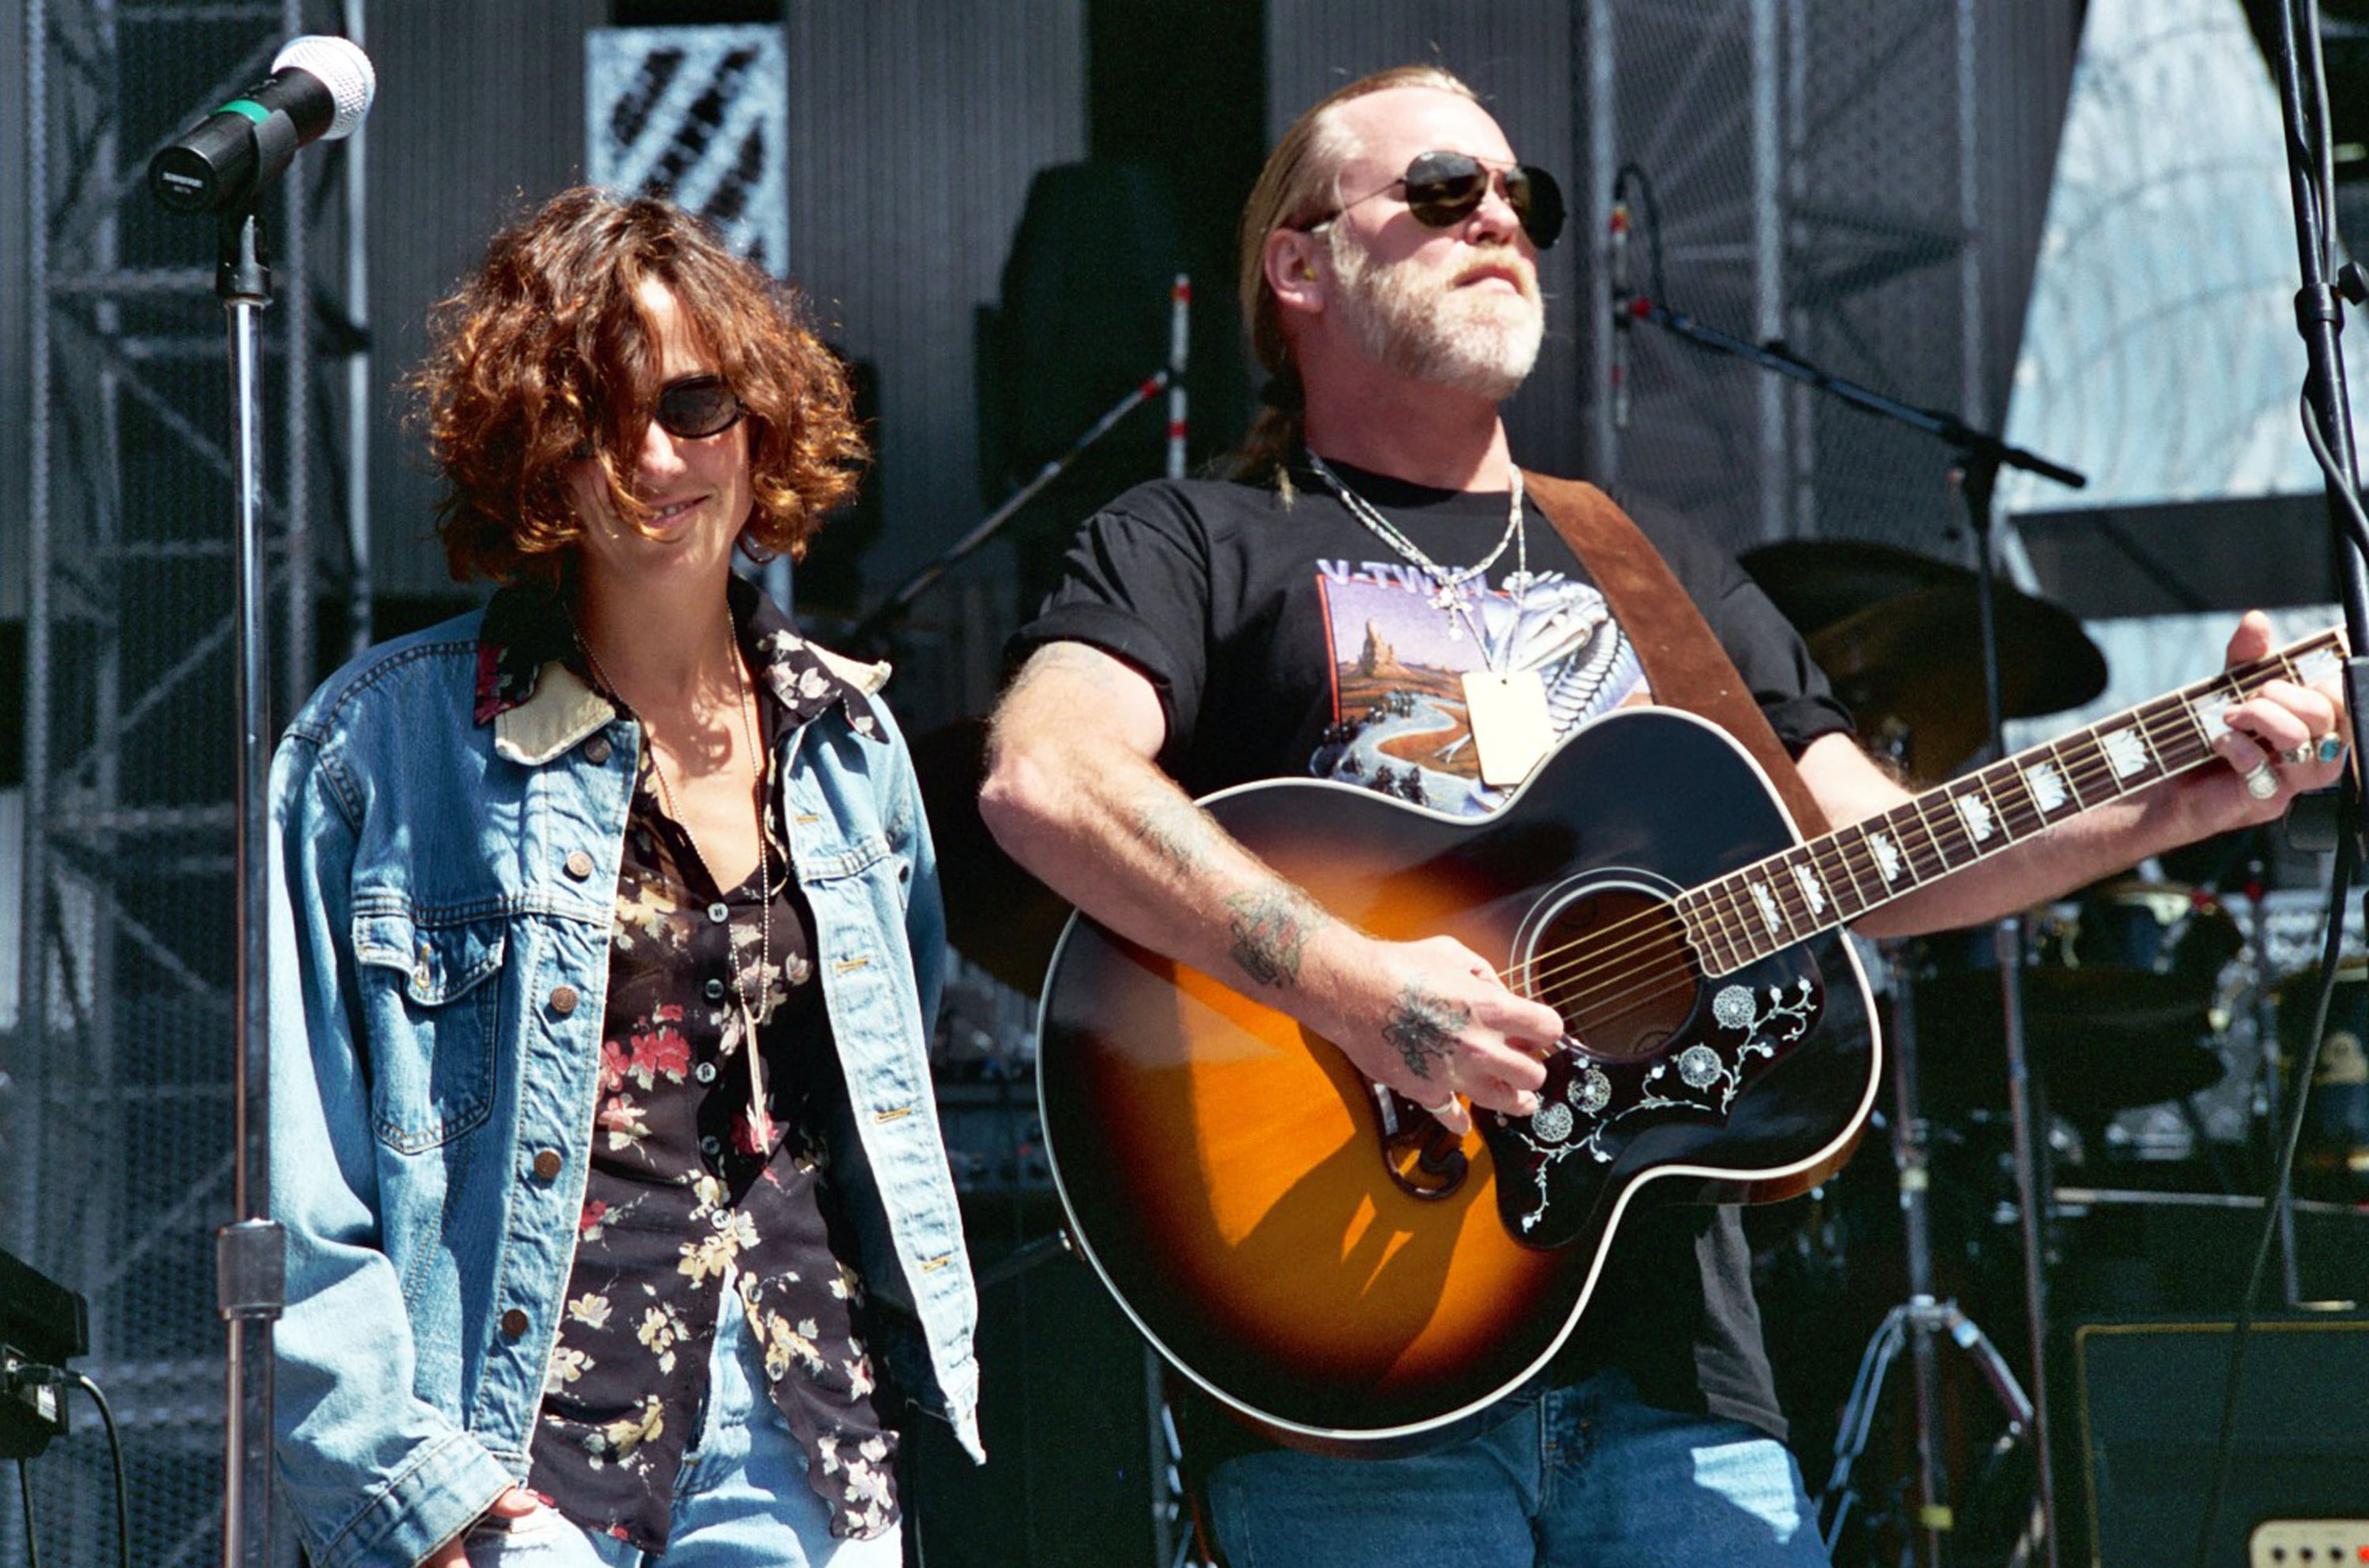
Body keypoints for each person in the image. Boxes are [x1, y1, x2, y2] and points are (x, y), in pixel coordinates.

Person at [977, 64, 2348, 1567]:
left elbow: (1877, 855)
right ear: (1297, 264)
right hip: (1361, 1367)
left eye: (1525, 200)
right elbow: (1048, 774)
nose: (1500, 216)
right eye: (1444, 191)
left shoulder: (1646, 561)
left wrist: (2171, 791)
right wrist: (1361, 987)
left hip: (1682, 1385)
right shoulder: (1198, 539)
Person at [268, 188, 980, 1568]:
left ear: (761, 426)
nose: (656, 455)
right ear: (536, 447)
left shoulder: (851, 745)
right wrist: (412, 1494)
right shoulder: (380, 750)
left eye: (698, 404)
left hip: (809, 1442)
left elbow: (891, 1085)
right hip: (512, 1471)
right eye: (600, 413)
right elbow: (308, 1181)